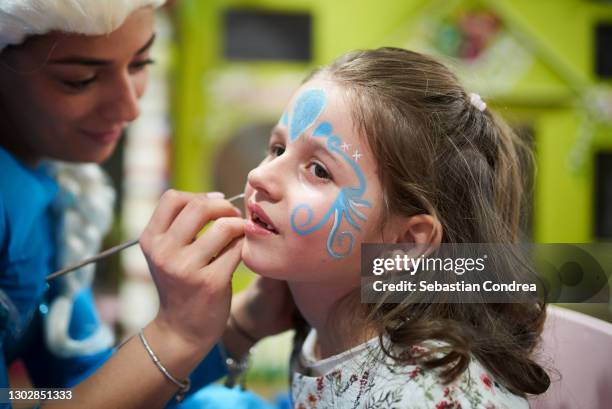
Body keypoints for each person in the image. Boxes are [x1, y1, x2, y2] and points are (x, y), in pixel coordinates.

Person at [0, 1, 293, 408]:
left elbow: (77, 385)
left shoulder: (403, 265)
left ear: (413, 230)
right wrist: (177, 333)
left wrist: (245, 320)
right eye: (80, 79)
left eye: (141, 63)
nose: (130, 108)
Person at [240, 47, 550, 408]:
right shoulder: (317, 325)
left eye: (319, 170)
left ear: (404, 243)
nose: (258, 175)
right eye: (277, 149)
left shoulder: (429, 396)